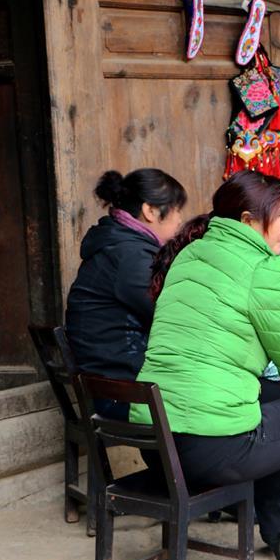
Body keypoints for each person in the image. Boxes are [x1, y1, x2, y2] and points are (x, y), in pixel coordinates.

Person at [133, 171, 280, 560]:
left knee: (267, 395)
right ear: (249, 220)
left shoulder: (188, 255)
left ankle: (279, 528)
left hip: (158, 445)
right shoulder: (267, 269)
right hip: (212, 451)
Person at [65, 168, 186, 420]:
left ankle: (171, 460)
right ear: (150, 211)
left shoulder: (119, 244)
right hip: (123, 394)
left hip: (117, 383)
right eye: (176, 210)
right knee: (243, 394)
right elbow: (177, 317)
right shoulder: (129, 256)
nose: (180, 220)